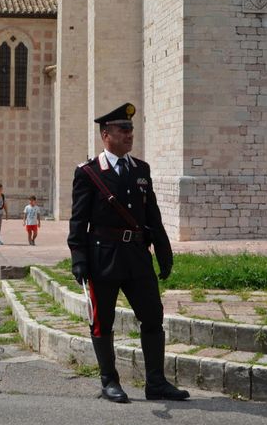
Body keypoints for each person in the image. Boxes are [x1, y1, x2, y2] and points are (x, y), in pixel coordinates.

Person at [67, 102, 188, 404]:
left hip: (136, 256)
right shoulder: (89, 173)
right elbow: (79, 220)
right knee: (102, 321)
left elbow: (152, 215)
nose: (129, 134)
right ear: (106, 134)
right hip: (102, 258)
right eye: (123, 129)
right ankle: (109, 381)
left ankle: (156, 382)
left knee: (152, 317)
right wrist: (79, 258)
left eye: (131, 129)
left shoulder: (141, 170)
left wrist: (163, 250)